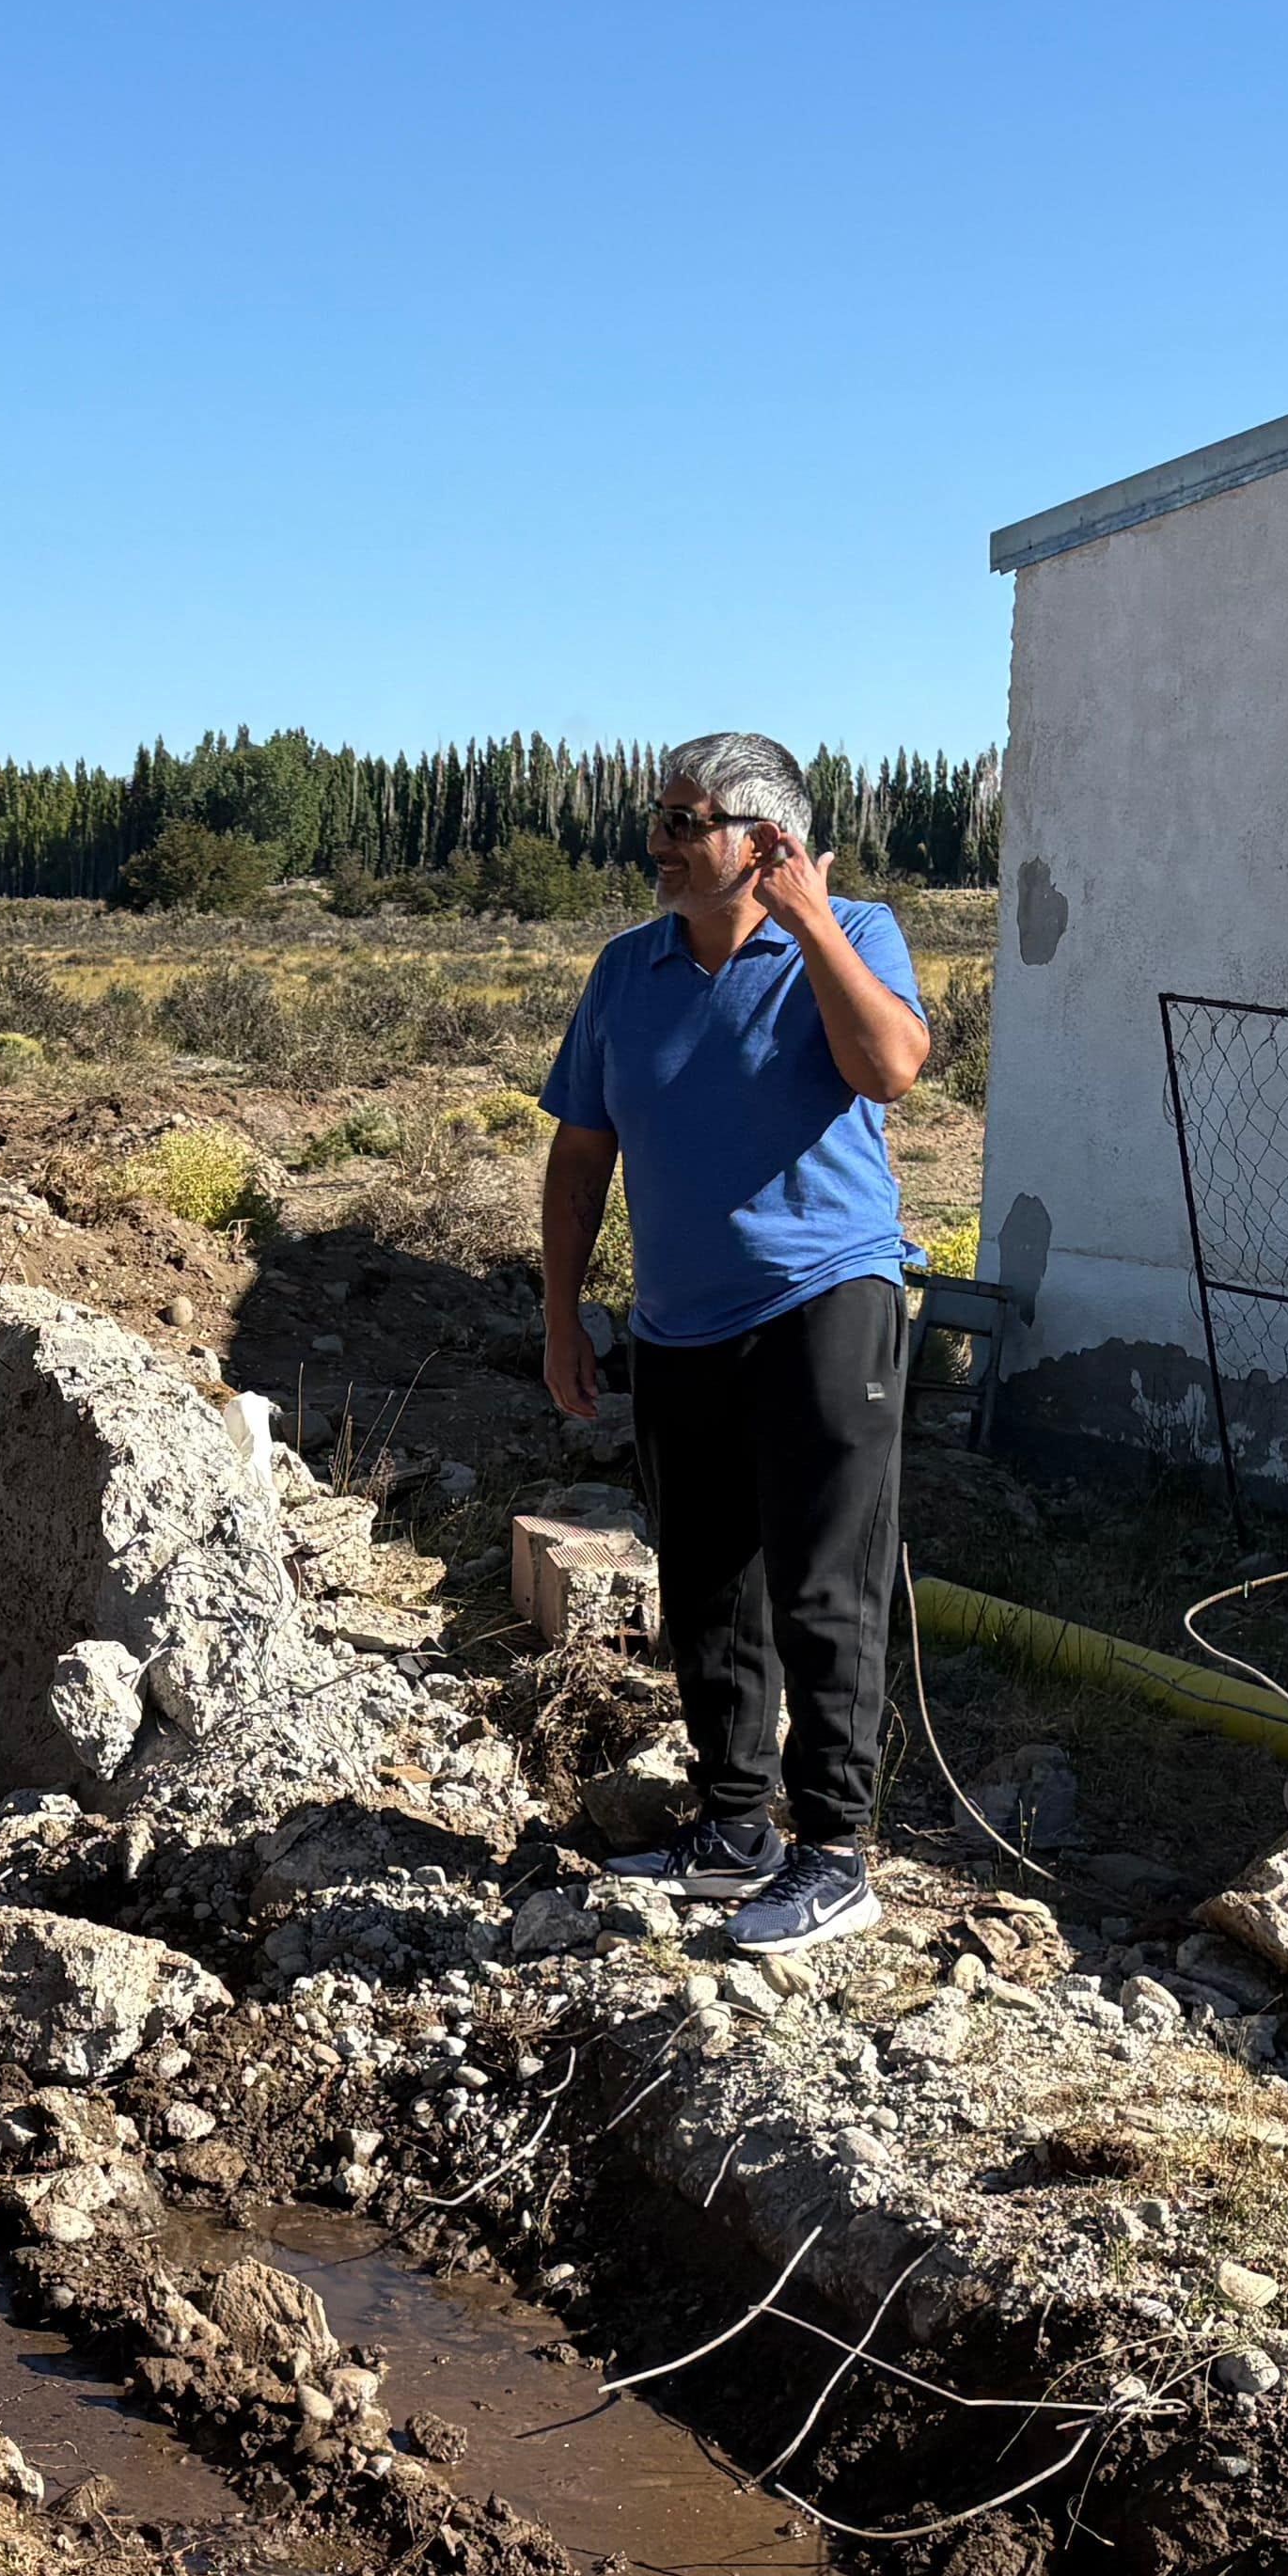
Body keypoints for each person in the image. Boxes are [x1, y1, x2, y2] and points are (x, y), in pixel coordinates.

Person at [536, 734, 933, 1959]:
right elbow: (580, 1152)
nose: (655, 839)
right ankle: (733, 1825)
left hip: (824, 1303)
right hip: (678, 1325)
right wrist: (561, 1315)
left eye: (682, 819)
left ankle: (833, 1852)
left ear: (760, 841)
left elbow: (895, 1067)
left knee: (824, 1585)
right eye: (656, 815)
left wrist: (807, 921)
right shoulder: (627, 971)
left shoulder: (853, 935)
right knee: (704, 1584)